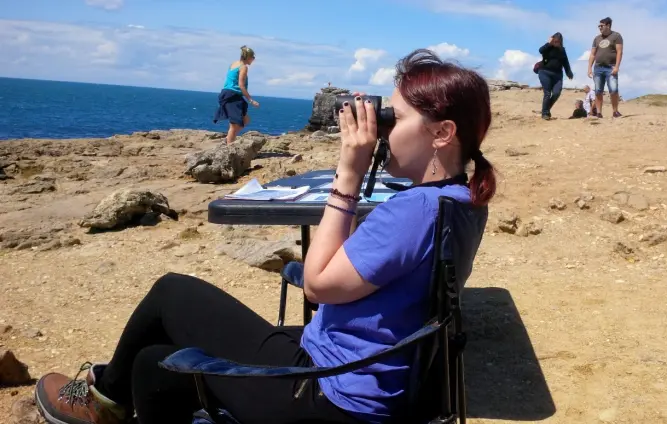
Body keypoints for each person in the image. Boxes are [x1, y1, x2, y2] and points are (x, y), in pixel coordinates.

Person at [34, 49, 497, 424]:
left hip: (332, 390)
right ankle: (107, 391)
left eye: (394, 118)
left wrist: (349, 174)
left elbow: (317, 285)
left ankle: (99, 401)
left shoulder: (414, 211)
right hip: (377, 375)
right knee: (153, 362)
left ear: (442, 133)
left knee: (171, 292)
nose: (382, 129)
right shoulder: (462, 200)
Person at [213, 46, 260, 145]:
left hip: (227, 93)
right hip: (232, 95)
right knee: (234, 125)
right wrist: (251, 100)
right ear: (248, 57)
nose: (253, 60)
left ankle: (227, 139)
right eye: (253, 57)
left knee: (245, 119)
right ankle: (229, 148)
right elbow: (241, 85)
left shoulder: (233, 64)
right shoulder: (243, 67)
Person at [587, 17, 623, 118]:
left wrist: (616, 67)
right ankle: (599, 112)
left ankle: (615, 111)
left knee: (614, 89)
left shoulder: (616, 36)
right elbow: (593, 54)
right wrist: (589, 68)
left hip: (610, 67)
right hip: (598, 68)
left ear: (608, 26)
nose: (600, 27)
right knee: (598, 91)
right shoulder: (597, 38)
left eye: (601, 26)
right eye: (599, 26)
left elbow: (619, 52)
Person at [537, 32, 574, 120]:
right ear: (553, 40)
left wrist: (569, 72)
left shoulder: (562, 50)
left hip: (557, 74)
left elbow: (565, 62)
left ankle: (545, 109)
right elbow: (540, 50)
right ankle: (545, 113)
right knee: (547, 93)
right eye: (555, 41)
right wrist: (549, 44)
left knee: (557, 93)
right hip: (544, 72)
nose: (557, 42)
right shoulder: (548, 47)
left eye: (559, 41)